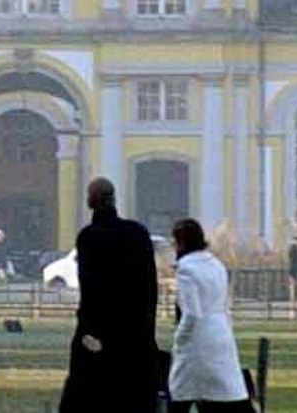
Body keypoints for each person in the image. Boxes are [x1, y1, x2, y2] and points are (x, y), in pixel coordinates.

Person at [58, 177, 160, 413]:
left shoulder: (89, 237)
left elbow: (91, 289)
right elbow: (149, 286)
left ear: (90, 201)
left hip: (101, 333)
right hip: (136, 333)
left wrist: (88, 331)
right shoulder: (138, 233)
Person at [166, 219, 252, 413]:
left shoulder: (186, 269)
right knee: (224, 392)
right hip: (221, 334)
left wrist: (180, 338)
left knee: (181, 393)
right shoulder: (216, 264)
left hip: (197, 340)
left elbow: (192, 313)